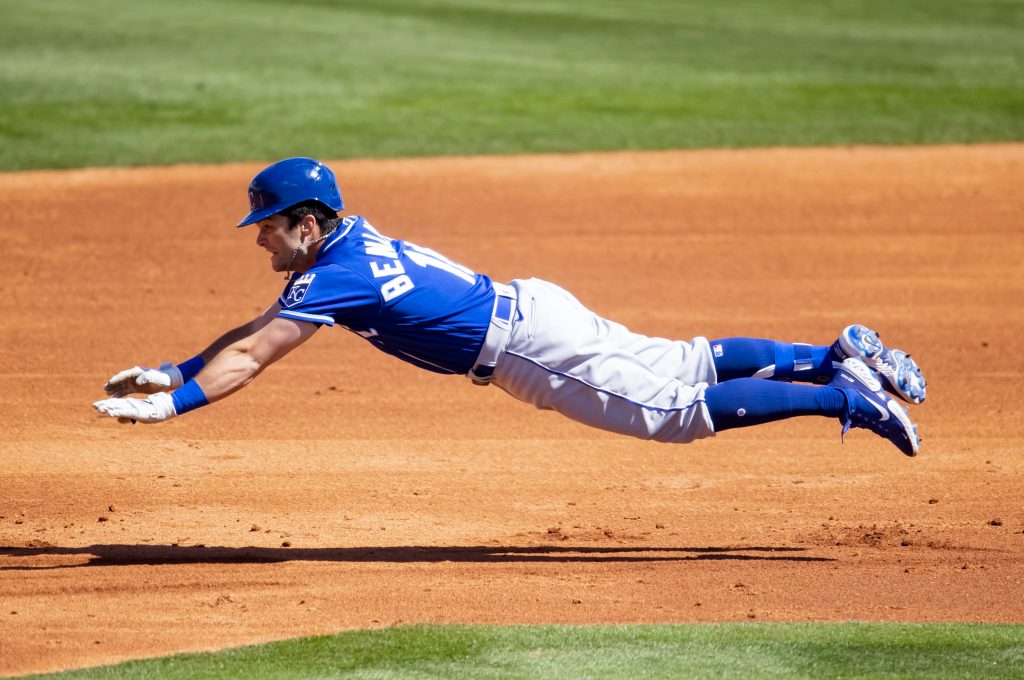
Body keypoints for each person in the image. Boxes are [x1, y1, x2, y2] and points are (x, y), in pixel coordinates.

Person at [93, 157, 926, 456]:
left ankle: (841, 393)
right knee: (686, 358)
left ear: (307, 224)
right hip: (532, 304)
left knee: (677, 412)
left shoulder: (332, 275)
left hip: (525, 349)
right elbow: (253, 328)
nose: (260, 241)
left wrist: (178, 400)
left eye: (268, 228)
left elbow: (255, 353)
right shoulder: (346, 245)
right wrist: (175, 365)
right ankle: (830, 353)